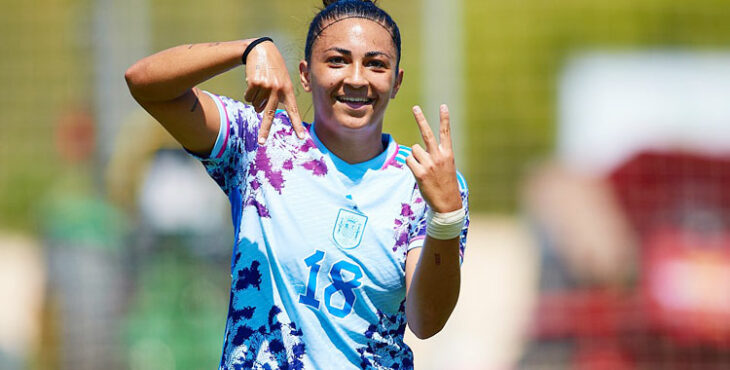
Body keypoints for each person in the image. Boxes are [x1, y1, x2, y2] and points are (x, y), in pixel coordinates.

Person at [124, 0, 469, 368]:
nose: (356, 78)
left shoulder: (424, 183)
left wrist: (446, 215)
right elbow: (145, 83)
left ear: (396, 81)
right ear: (304, 74)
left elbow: (427, 321)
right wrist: (248, 49)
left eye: (376, 64)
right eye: (337, 60)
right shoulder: (260, 142)